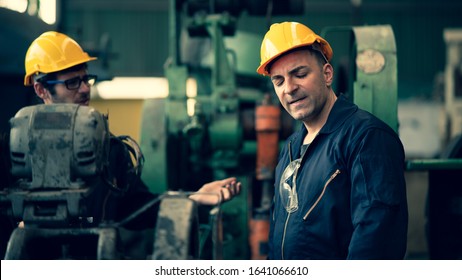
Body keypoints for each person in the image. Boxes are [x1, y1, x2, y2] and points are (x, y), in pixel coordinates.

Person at [11, 31, 240, 231]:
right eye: (72, 83)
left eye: (86, 79)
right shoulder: (12, 148)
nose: (84, 89)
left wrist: (193, 198)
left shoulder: (109, 149)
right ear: (41, 89)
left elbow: (136, 207)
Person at [256, 22, 408, 259]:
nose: (289, 88)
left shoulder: (366, 138)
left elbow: (375, 240)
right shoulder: (291, 148)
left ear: (327, 74)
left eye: (300, 74)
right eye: (279, 81)